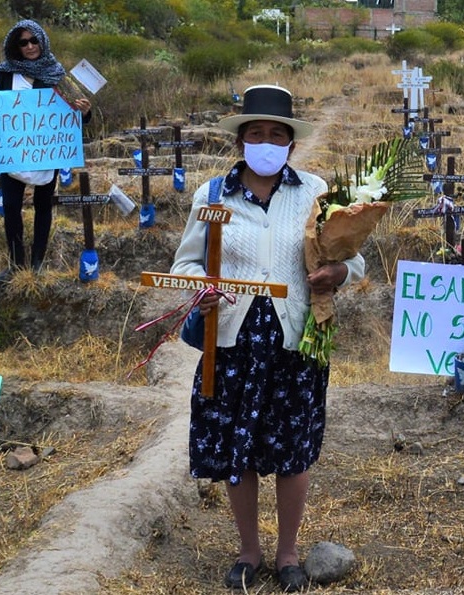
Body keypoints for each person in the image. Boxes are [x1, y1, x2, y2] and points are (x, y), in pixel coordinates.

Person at [169, 85, 363, 592]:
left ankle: (289, 553)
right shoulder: (211, 196)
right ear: (241, 142)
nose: (266, 141)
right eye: (256, 133)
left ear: (291, 144)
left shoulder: (318, 192)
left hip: (295, 339)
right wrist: (202, 289)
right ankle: (249, 550)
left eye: (277, 134)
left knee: (291, 447)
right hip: (230, 339)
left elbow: (356, 259)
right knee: (241, 447)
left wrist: (336, 272)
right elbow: (186, 262)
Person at [0, 20, 91, 275]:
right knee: (11, 208)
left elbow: (75, 114)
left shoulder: (57, 74)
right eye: (23, 42)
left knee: (43, 207)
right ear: (15, 45)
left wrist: (85, 112)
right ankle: (15, 263)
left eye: (34, 40)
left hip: (46, 152)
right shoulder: (2, 74)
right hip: (11, 153)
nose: (30, 46)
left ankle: (37, 263)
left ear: (42, 42)